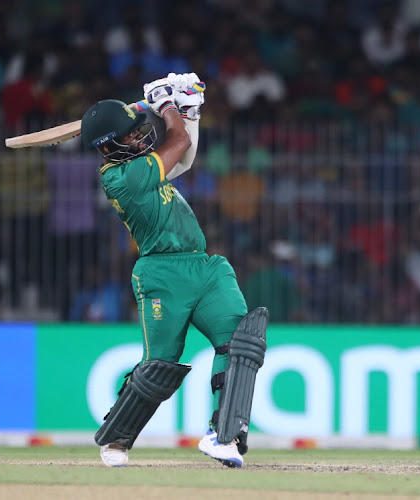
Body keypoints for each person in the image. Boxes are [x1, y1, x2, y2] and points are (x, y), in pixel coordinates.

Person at [79, 73, 269, 468]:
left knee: (241, 343)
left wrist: (190, 111)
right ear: (107, 147)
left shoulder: (144, 166)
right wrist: (167, 106)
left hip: (206, 267)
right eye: (130, 136)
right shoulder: (120, 178)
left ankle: (225, 436)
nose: (139, 138)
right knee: (160, 364)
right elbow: (177, 142)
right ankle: (115, 439)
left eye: (137, 132)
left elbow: (184, 154)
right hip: (161, 273)